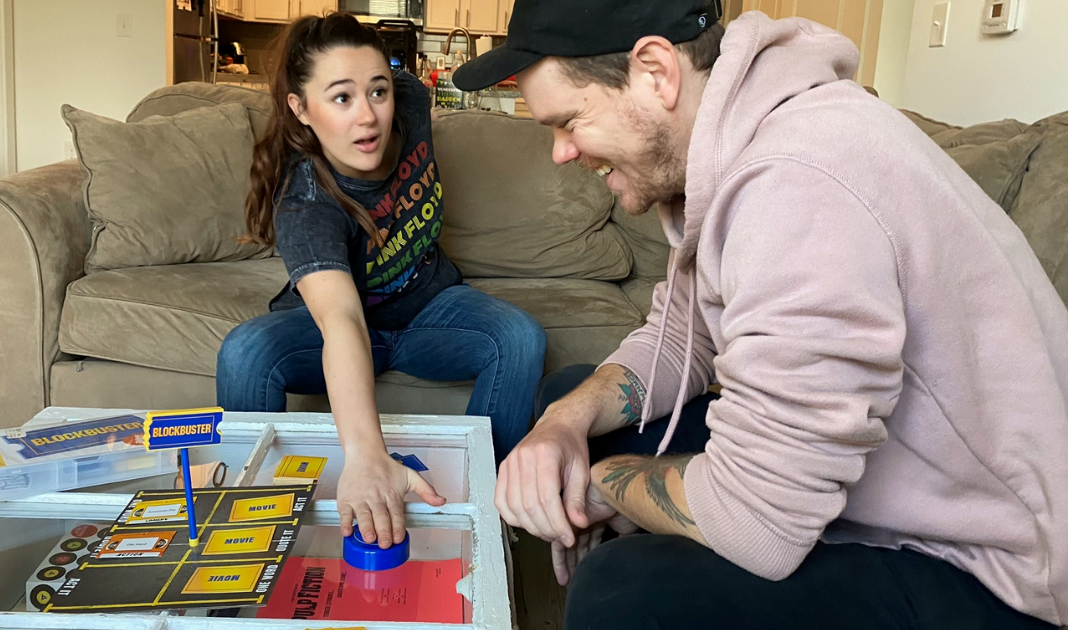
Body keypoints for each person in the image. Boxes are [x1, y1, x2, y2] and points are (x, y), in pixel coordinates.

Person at [453, 1, 1068, 628]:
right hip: (872, 492)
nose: (561, 152)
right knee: (575, 409)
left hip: (994, 573)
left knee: (624, 595)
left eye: (569, 121)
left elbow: (761, 527)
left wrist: (607, 485)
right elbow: (683, 340)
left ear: (655, 72)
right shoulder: (732, 148)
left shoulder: (799, 185)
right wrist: (565, 420)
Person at [216, 13, 546, 551]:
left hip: (428, 310)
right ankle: (245, 536)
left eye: (377, 91)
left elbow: (413, 85)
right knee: (246, 352)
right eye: (341, 98)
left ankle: (486, 523)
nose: (368, 117)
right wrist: (368, 457)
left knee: (521, 337)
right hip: (344, 331)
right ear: (302, 109)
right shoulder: (306, 202)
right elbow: (341, 319)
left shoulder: (411, 103)